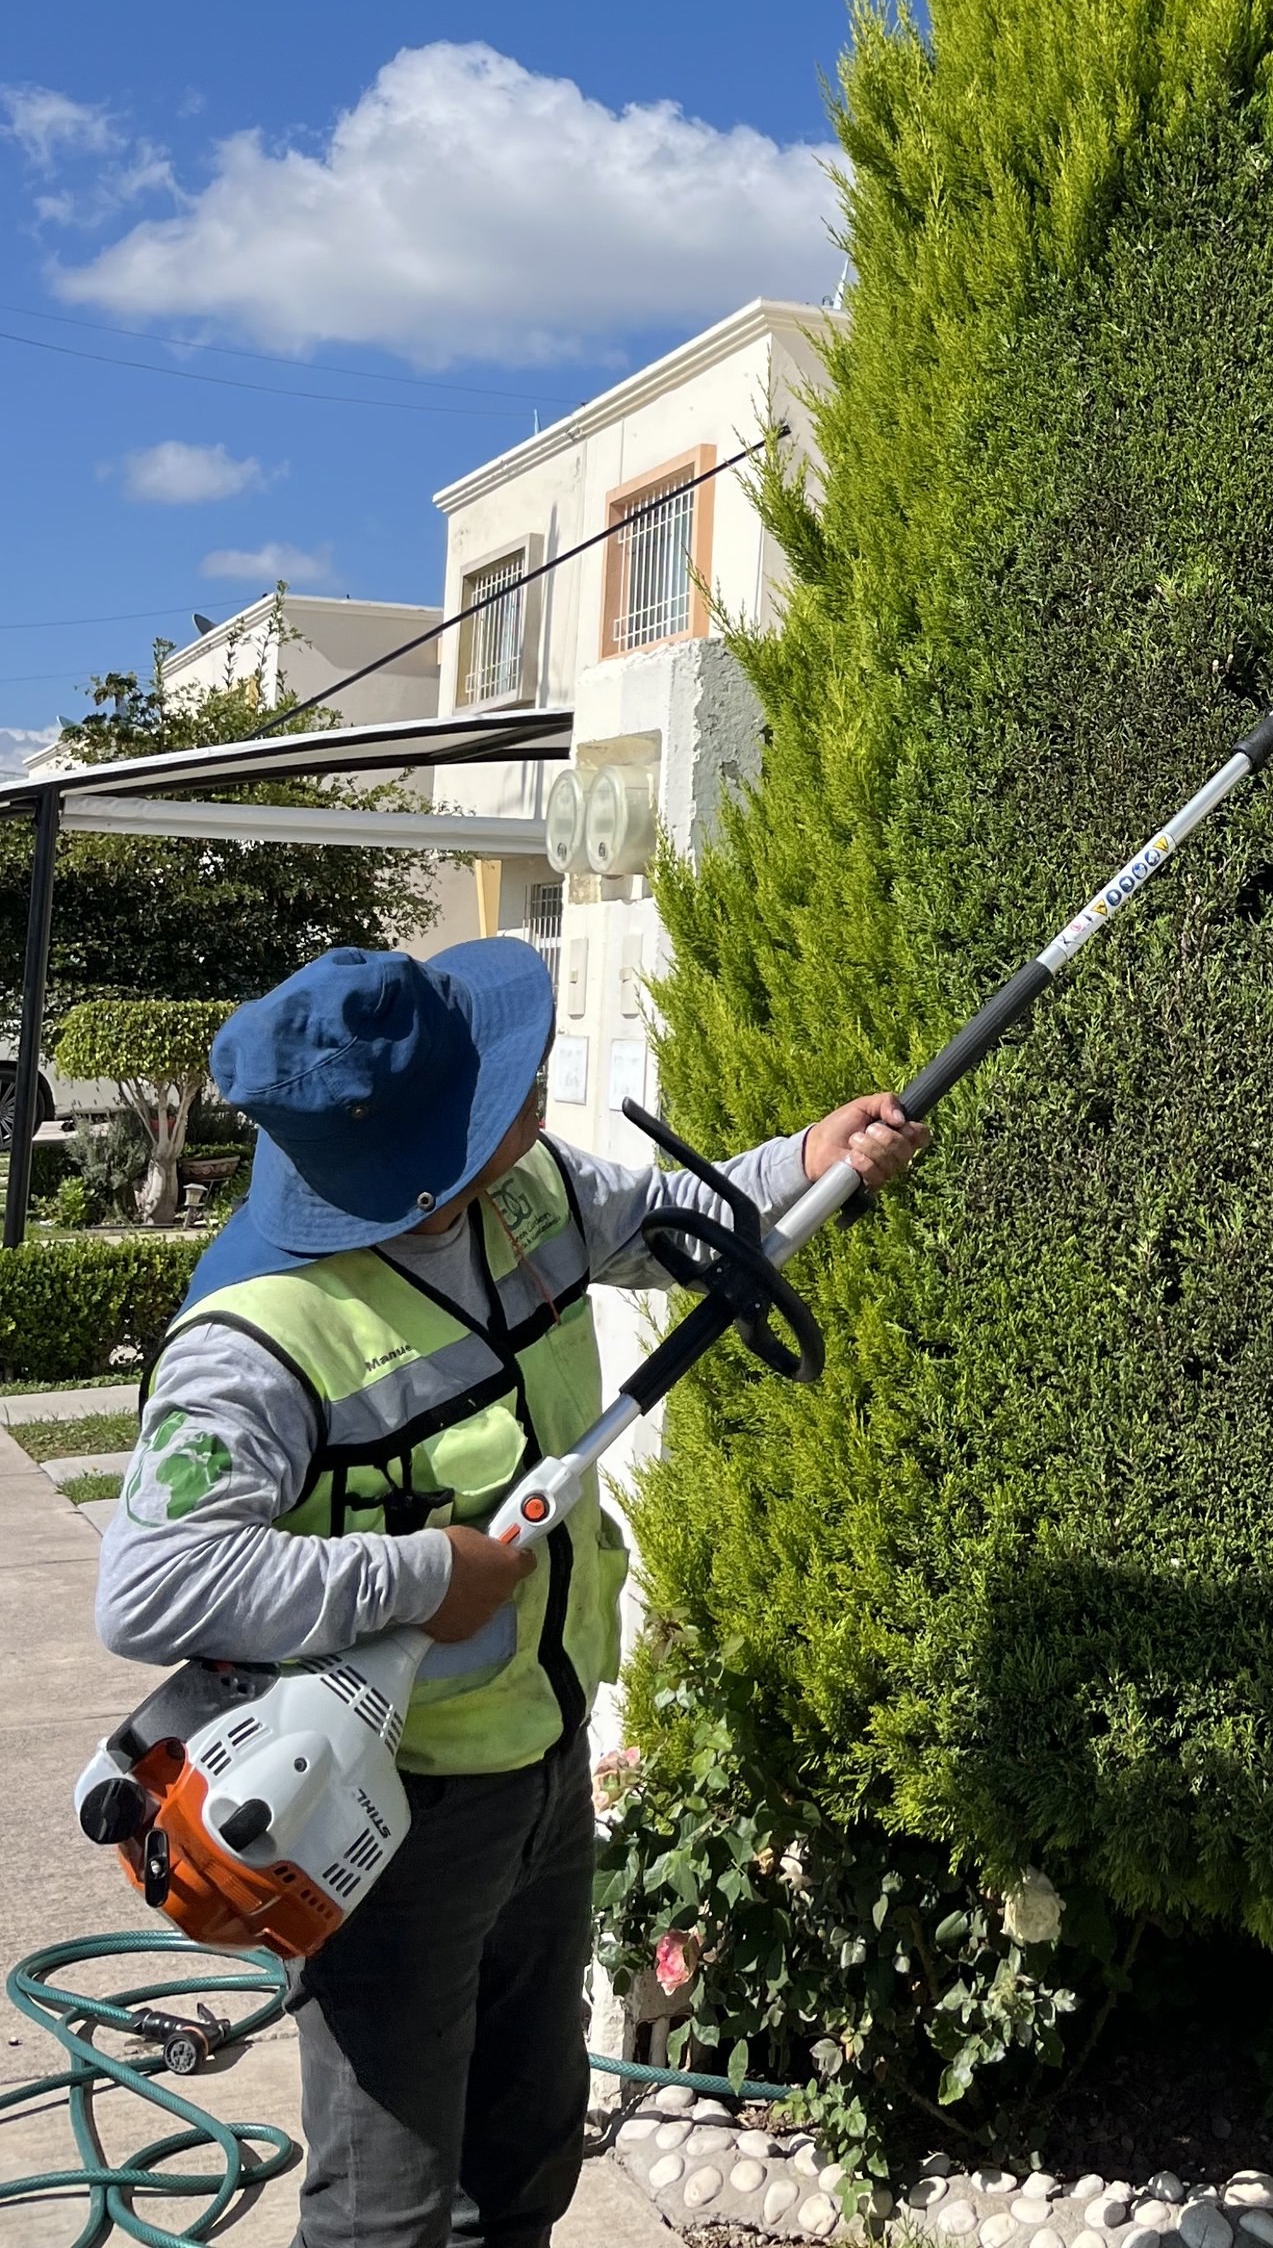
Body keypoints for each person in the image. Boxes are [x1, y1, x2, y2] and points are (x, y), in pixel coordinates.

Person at [96, 935, 926, 2248]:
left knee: (525, 2153)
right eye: (502, 1093)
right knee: (388, 2205)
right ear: (415, 1163)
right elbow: (152, 1583)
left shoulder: (519, 1186)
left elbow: (665, 1222)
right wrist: (426, 1575)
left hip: (544, 1768)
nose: (532, 1094)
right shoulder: (255, 1331)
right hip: (391, 1818)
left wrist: (804, 1161)